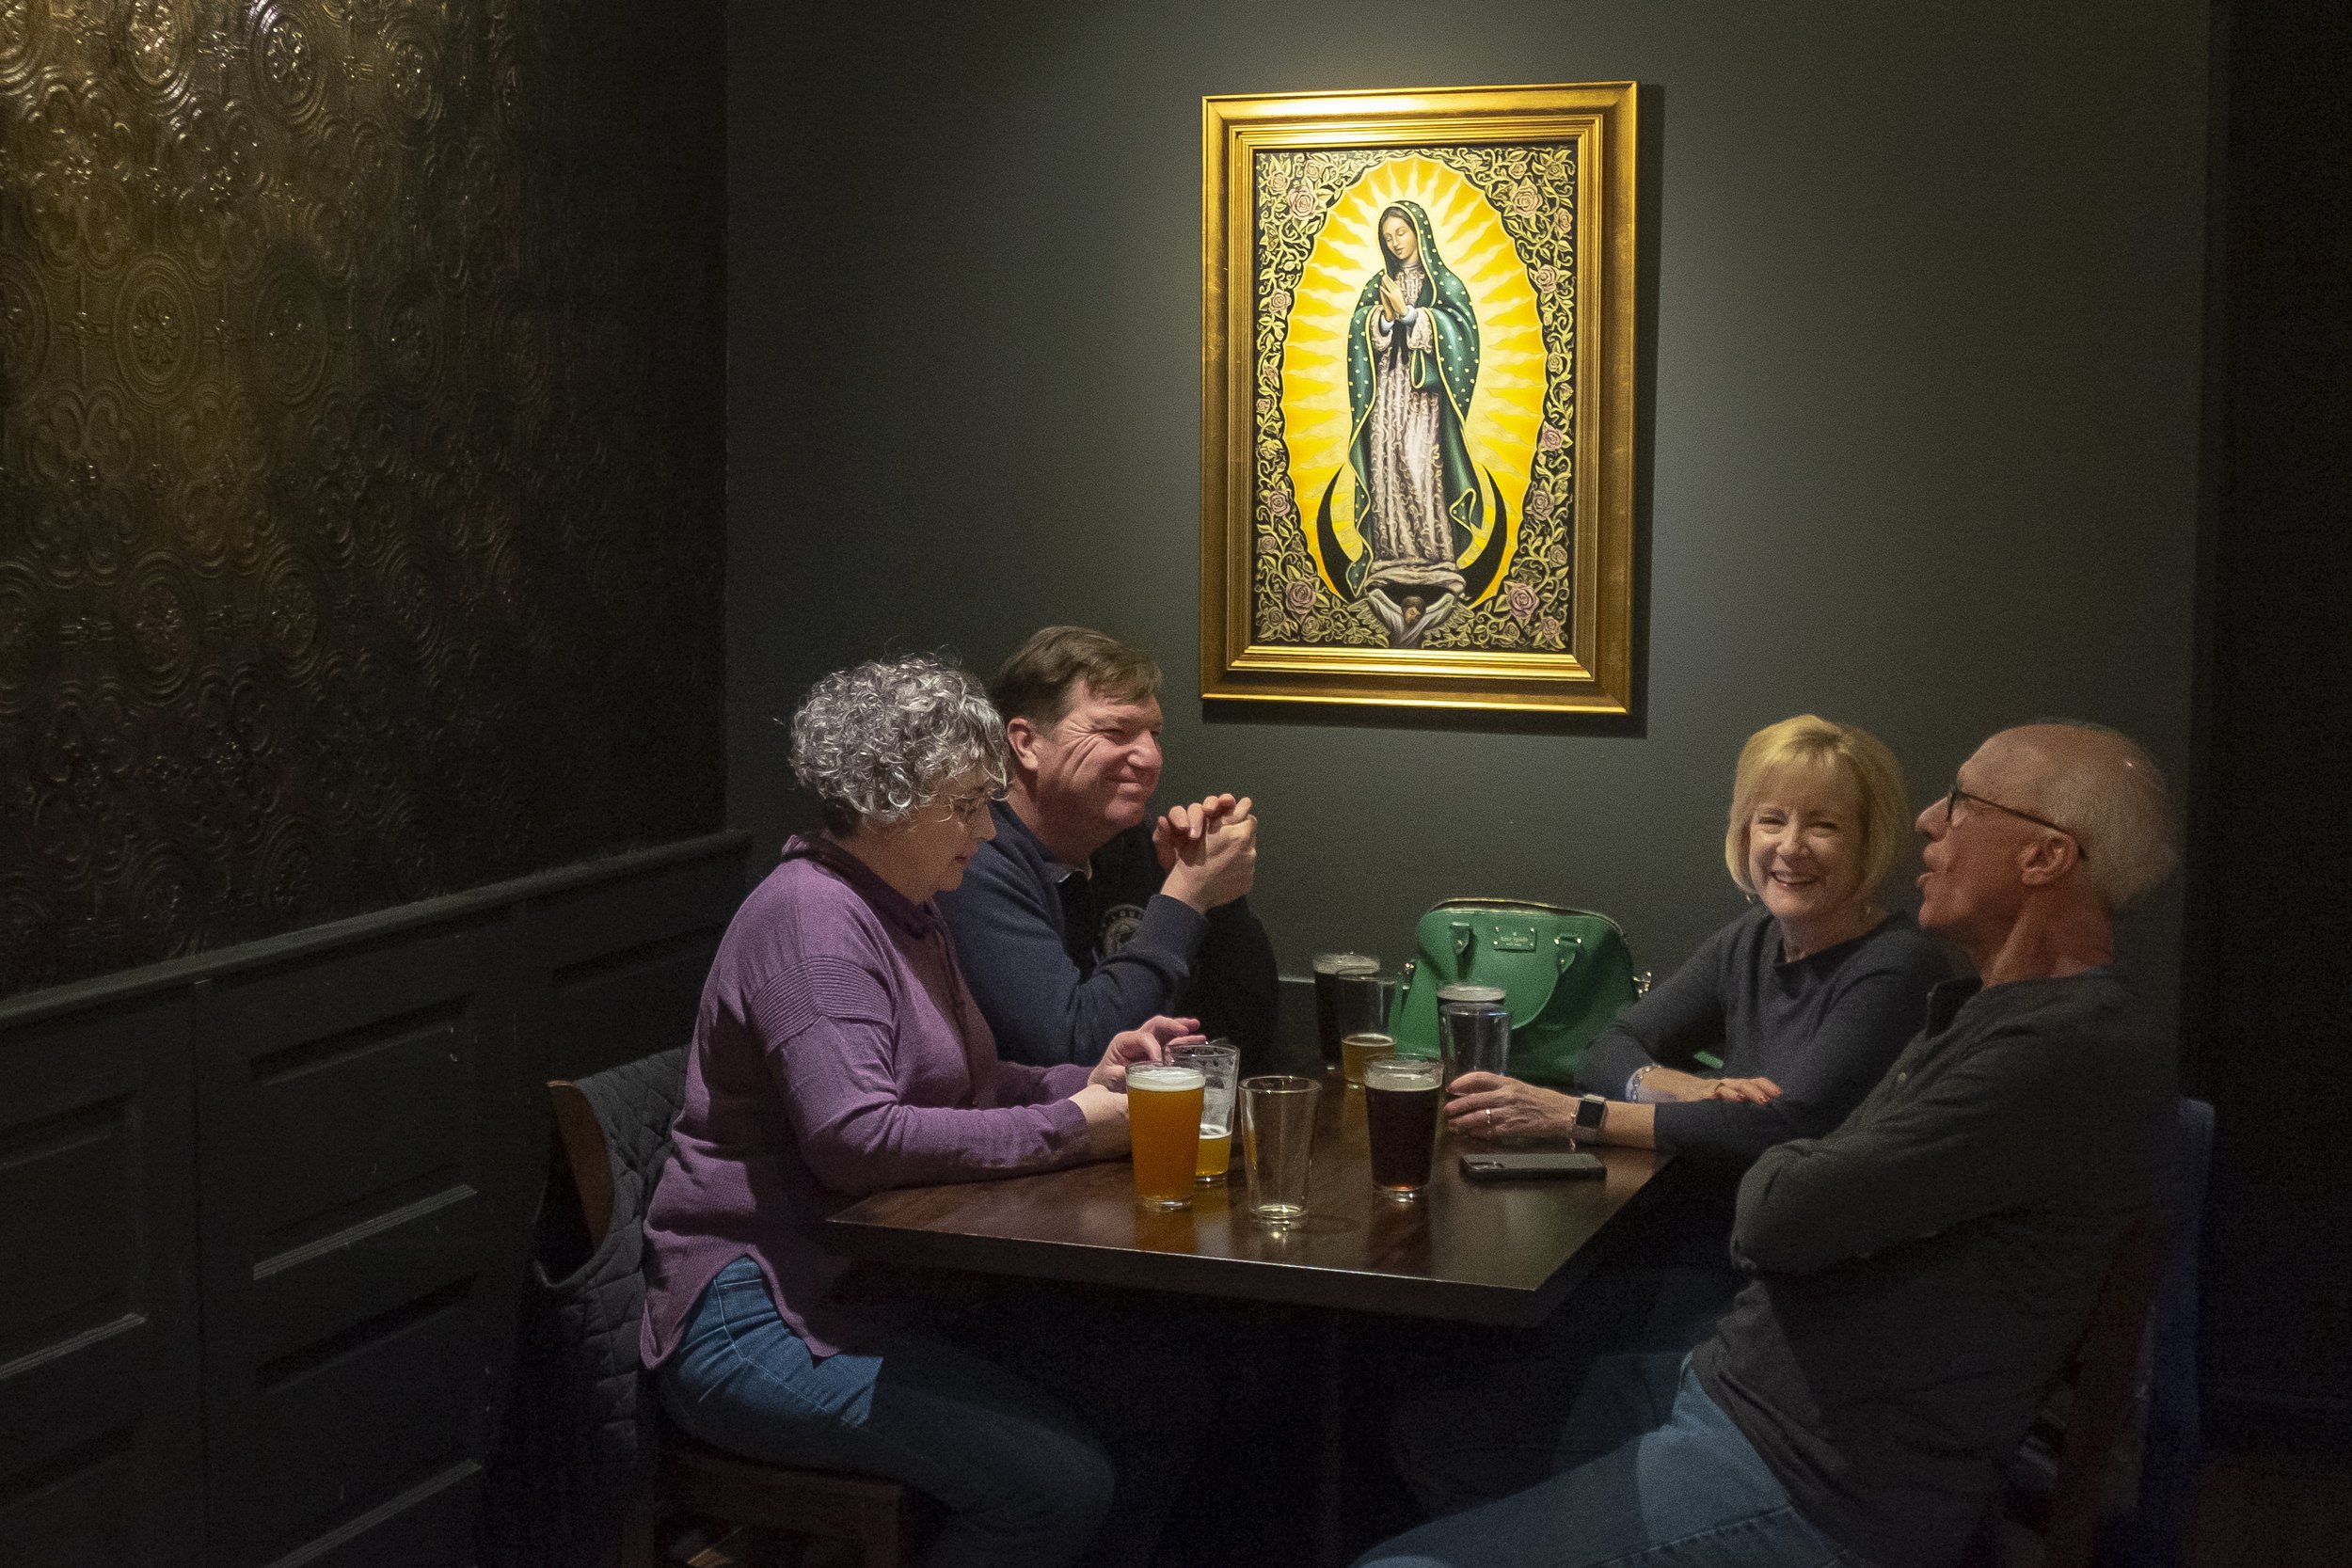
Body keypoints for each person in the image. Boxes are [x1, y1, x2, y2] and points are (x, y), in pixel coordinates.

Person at [1356, 721, 2180, 1568]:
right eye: (1769, 820)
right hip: (1742, 1389)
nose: (1931, 820)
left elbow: (1779, 1205)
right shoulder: (1987, 1011)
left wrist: (1765, 1138)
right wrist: (1728, 1106)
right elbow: (1761, 1128)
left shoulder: (2059, 1049)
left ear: (2044, 858)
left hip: (1820, 1481)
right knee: (1428, 1425)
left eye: (1964, 802)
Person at [638, 655, 1199, 1568]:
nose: (985, 826)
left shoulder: (903, 906)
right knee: (1052, 1482)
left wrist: (1083, 1076)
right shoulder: (812, 918)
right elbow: (855, 1137)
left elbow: (968, 1084)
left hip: (874, 1288)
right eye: (966, 802)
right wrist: (1076, 1126)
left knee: (1163, 1387)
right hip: (761, 1319)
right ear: (886, 798)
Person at [1432, 717, 1958, 1379]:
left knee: (1492, 1358)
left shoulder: (1897, 968)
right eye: (1772, 819)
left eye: (1823, 825)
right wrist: (1690, 1087)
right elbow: (1609, 1045)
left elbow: (1785, 1126)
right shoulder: (1752, 939)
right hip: (1694, 1248)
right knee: (1460, 1339)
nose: (1790, 846)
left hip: (1782, 1298)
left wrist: (1577, 1115)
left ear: (1868, 842)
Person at [938, 626, 1280, 1070]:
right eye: (1117, 731)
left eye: (1154, 733)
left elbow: (1239, 1044)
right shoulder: (971, 861)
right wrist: (1186, 897)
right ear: (1026, 744)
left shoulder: (1130, 844)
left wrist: (1220, 901)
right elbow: (1077, 1054)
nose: (1151, 758)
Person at [1346, 199, 1482, 646]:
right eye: (1387, 236)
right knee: (1388, 468)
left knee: (1422, 467)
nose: (1394, 241)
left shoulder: (1443, 283)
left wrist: (1413, 316)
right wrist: (1382, 321)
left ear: (1419, 233)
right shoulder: (1376, 284)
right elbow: (1362, 334)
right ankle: (1390, 557)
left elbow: (1463, 332)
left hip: (1424, 398)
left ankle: (1433, 558)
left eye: (1400, 232)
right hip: (1388, 392)